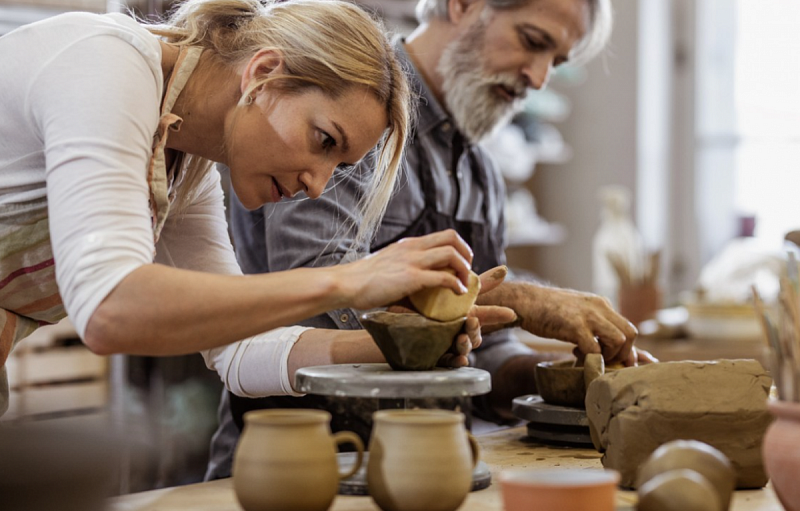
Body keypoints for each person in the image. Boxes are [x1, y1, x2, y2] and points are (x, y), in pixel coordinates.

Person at [205, 0, 656, 480]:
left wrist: (552, 378)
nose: (540, 77)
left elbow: (473, 349)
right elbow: (319, 300)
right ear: (461, 6)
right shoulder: (349, 113)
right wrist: (520, 299)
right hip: (296, 466)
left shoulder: (479, 169)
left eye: (557, 61)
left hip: (425, 468)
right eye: (533, 41)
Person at [0, 0, 500, 417]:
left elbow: (237, 354)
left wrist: (404, 345)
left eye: (339, 165)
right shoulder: (105, 66)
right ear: (263, 74)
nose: (318, 186)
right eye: (324, 140)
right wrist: (349, 280)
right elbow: (109, 309)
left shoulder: (185, 167)